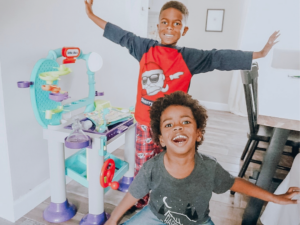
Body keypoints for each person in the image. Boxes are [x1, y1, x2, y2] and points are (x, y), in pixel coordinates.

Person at [84, 0, 280, 209]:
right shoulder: (144, 48)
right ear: (157, 26)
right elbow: (120, 35)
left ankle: (163, 202)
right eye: (165, 22)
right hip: (144, 124)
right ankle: (142, 205)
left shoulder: (189, 57)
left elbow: (219, 57)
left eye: (176, 24)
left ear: (184, 29)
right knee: (145, 168)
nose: (170, 27)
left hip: (171, 128)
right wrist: (90, 14)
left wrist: (258, 54)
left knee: (169, 169)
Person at [105, 91, 300, 225]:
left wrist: (274, 198)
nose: (178, 127)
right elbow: (134, 194)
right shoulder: (151, 168)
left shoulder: (209, 167)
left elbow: (235, 184)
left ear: (198, 133)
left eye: (185, 122)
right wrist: (113, 219)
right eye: (169, 125)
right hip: (156, 217)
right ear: (161, 139)